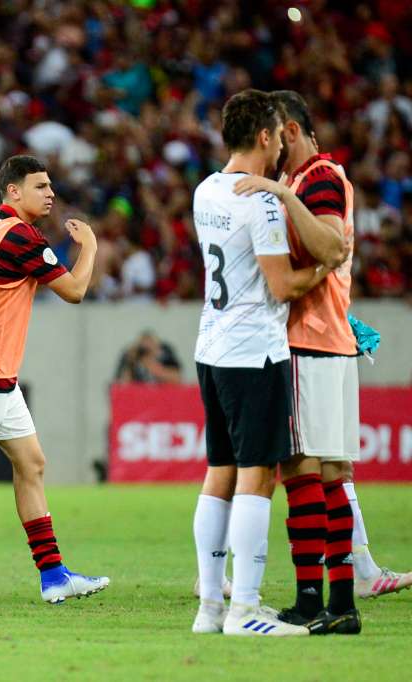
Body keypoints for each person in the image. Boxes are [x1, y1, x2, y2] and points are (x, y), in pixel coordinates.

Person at [234, 90, 408, 629]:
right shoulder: (311, 180)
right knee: (331, 472)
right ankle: (339, 603)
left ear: (287, 130)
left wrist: (281, 197)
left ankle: (315, 596)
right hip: (327, 340)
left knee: (303, 470)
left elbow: (331, 245)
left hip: (307, 340)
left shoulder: (318, 178)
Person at [190, 89, 337, 637]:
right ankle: (245, 609)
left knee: (218, 474)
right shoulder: (263, 200)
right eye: (277, 135)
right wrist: (325, 270)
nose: (281, 145)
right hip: (254, 351)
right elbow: (281, 285)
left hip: (211, 346)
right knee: (258, 478)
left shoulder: (205, 190)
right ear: (265, 137)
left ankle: (210, 608)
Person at [0, 154, 108, 605]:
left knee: (31, 463)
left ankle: (53, 575)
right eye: (41, 186)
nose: (50, 194)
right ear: (14, 191)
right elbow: (75, 291)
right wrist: (89, 248)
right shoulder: (23, 237)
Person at [115, 331, 182, 384]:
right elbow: (122, 384)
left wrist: (153, 367)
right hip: (138, 397)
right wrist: (132, 362)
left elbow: (177, 378)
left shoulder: (165, 355)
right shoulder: (131, 359)